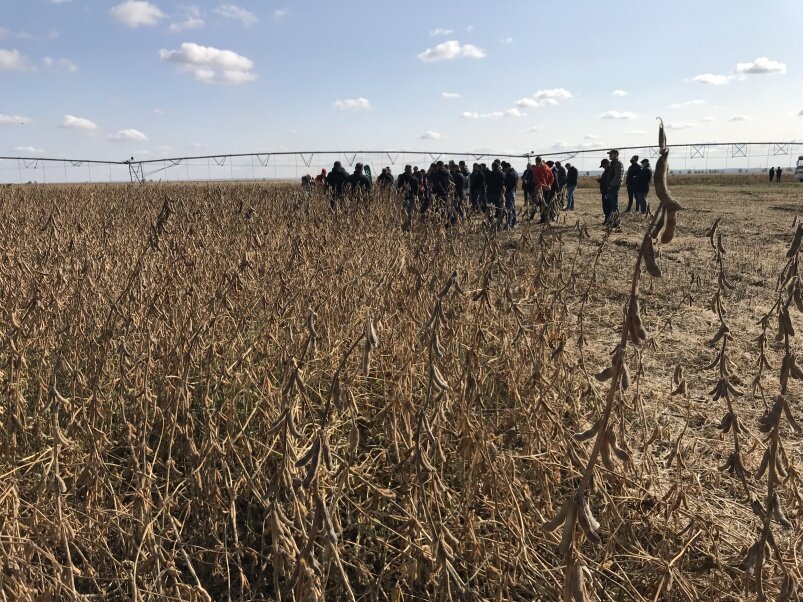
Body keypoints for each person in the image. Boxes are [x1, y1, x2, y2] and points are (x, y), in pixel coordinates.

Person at [396, 164, 419, 232]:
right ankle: (408, 227)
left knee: (402, 212)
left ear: (405, 169)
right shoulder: (414, 178)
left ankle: (402, 226)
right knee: (410, 212)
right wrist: (415, 196)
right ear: (411, 169)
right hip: (412, 197)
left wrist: (398, 195)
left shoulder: (401, 177)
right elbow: (416, 189)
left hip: (403, 197)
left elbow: (398, 187)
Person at [604, 149, 623, 222]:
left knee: (614, 204)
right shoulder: (613, 163)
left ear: (616, 155)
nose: (609, 156)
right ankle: (613, 221)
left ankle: (617, 222)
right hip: (611, 186)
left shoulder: (618, 164)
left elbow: (618, 177)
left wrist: (611, 185)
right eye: (609, 154)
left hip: (614, 187)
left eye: (611, 154)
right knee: (612, 204)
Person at [485, 160, 505, 226]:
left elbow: (487, 183)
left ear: (492, 167)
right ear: (498, 166)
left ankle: (489, 222)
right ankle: (499, 223)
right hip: (499, 193)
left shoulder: (489, 174)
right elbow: (504, 184)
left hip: (490, 193)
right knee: (499, 209)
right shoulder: (502, 174)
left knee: (490, 209)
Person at [502, 161, 518, 229]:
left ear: (508, 168)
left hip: (509, 192)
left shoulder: (510, 174)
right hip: (513, 192)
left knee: (509, 209)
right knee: (513, 208)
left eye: (505, 169)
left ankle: (509, 224)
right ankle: (513, 222)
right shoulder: (515, 172)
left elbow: (508, 185)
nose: (504, 171)